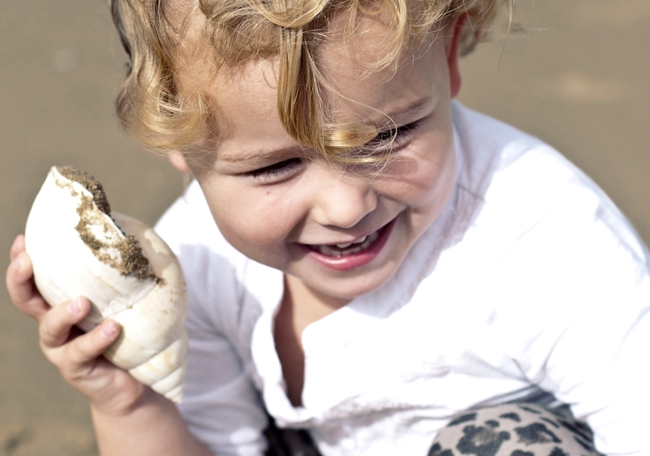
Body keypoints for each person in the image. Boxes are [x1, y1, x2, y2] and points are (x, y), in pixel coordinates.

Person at [6, 0, 650, 454]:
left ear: (448, 57)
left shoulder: (545, 240)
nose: (346, 208)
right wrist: (128, 403)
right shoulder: (196, 262)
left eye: (388, 135)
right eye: (276, 167)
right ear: (179, 143)